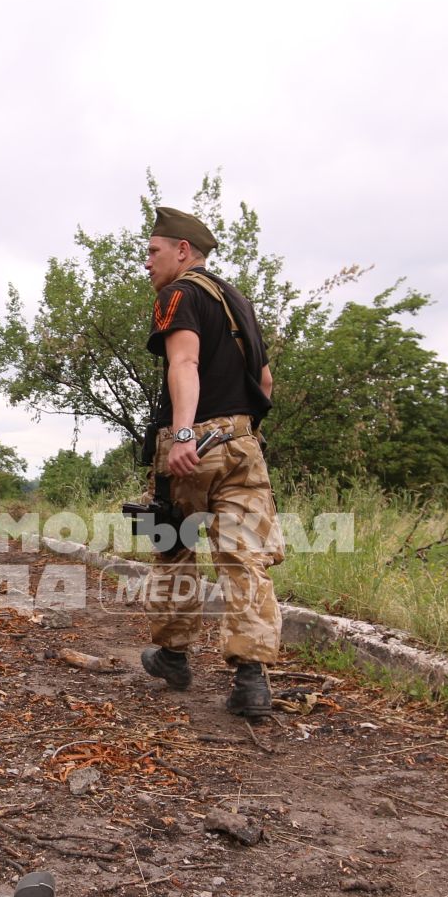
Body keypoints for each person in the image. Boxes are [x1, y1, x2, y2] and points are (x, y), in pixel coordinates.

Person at [137, 206, 284, 718]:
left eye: (153, 251)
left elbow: (184, 362)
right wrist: (242, 434)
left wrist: (183, 434)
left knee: (175, 547)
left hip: (193, 446)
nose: (146, 262)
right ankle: (251, 680)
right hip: (244, 444)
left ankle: (174, 656)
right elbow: (263, 384)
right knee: (244, 558)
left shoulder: (178, 295)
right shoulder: (237, 301)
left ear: (182, 250)